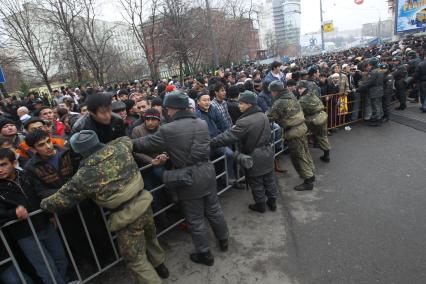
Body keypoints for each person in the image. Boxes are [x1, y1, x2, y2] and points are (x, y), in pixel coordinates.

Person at [40, 131, 169, 283]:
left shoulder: (84, 174)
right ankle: (160, 265)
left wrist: (42, 204)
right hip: (144, 202)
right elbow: (125, 138)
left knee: (135, 259)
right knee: (151, 238)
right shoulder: (121, 147)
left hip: (126, 217)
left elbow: (60, 200)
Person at [133, 91, 229, 266]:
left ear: (174, 108)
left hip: (188, 177)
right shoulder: (200, 123)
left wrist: (128, 142)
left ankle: (205, 254)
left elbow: (146, 144)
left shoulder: (167, 129)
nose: (166, 112)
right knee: (214, 210)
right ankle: (223, 240)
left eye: (168, 109)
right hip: (207, 171)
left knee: (195, 218)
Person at [0, 148, 68, 284]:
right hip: (25, 234)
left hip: (44, 224)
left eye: (3, 164)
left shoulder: (25, 175)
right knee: (46, 268)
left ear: (14, 163)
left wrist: (49, 215)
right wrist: (13, 213)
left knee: (60, 257)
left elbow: (38, 195)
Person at [211, 91, 277, 213]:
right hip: (267, 152)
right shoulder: (262, 115)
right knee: (269, 179)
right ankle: (273, 202)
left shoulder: (245, 121)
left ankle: (260, 205)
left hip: (254, 156)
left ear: (249, 104)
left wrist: (211, 142)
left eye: (241, 103)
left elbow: (228, 136)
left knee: (256, 182)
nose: (239, 106)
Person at [267, 81, 316, 191]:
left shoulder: (279, 102)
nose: (271, 94)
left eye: (272, 92)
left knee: (298, 156)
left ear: (275, 91)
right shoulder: (291, 95)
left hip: (293, 131)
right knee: (305, 152)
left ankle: (308, 181)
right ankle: (311, 173)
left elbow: (269, 116)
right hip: (301, 127)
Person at [297, 80, 331, 163]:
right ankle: (326, 155)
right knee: (323, 136)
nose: (299, 90)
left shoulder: (303, 99)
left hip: (313, 119)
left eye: (301, 88)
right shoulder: (312, 94)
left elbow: (298, 110)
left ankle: (303, 156)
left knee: (301, 135)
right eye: (299, 88)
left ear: (305, 88)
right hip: (322, 116)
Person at [356, 58, 384, 126]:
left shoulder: (373, 72)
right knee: (379, 105)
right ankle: (379, 118)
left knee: (375, 106)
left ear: (371, 64)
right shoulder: (380, 70)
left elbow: (369, 83)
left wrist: (358, 89)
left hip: (374, 91)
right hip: (380, 90)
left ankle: (377, 120)